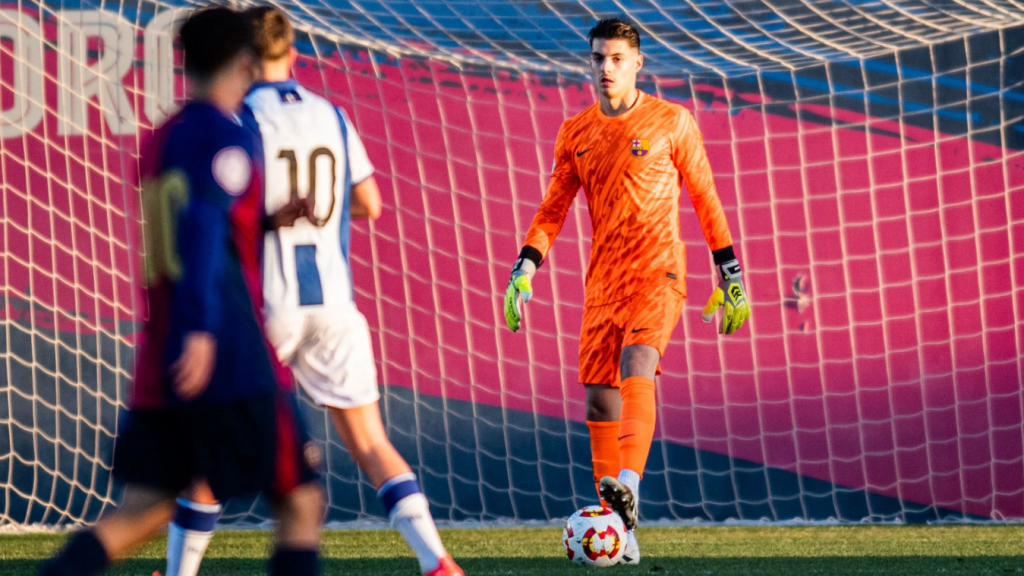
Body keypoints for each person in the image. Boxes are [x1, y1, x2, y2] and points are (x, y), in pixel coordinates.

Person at [163, 7, 463, 576]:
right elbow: (371, 202)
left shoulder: (238, 114)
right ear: (295, 53)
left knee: (213, 441)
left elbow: (224, 207)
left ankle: (179, 573)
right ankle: (437, 562)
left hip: (265, 306)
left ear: (244, 58)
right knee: (371, 442)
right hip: (332, 301)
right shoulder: (331, 113)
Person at [37, 7, 323, 576]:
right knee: (300, 499)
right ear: (245, 62)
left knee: (146, 506)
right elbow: (199, 229)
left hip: (163, 355)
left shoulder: (163, 136)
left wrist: (267, 221)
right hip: (229, 354)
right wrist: (201, 332)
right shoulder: (226, 135)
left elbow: (203, 218)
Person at [502, 18, 751, 565]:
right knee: (598, 397)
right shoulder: (575, 132)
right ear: (589, 63)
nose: (606, 68)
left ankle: (629, 487)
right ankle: (623, 532)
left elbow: (706, 197)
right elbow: (552, 209)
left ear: (639, 63)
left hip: (658, 272)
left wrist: (729, 272)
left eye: (617, 58)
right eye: (598, 58)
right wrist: (525, 266)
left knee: (639, 361)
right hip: (603, 281)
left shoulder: (672, 121)